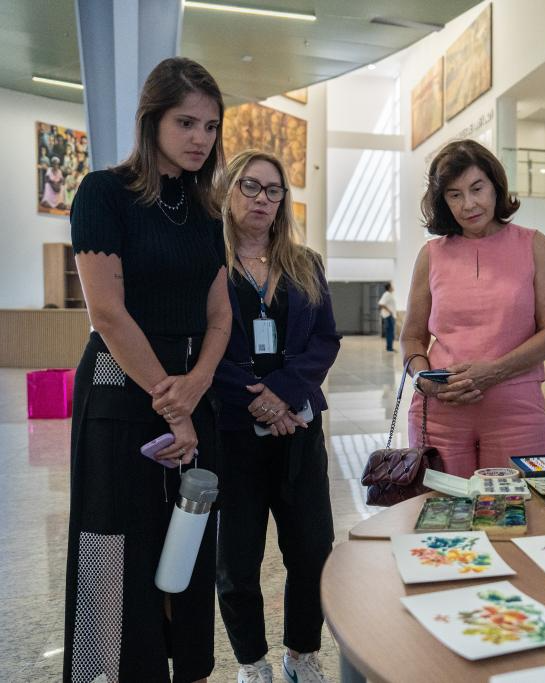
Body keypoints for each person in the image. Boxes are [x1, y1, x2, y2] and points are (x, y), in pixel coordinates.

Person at [64, 57, 230, 682]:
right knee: (115, 544)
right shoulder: (103, 193)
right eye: (186, 122)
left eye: (210, 127)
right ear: (151, 120)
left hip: (191, 386)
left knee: (187, 541)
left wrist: (197, 386)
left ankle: (188, 670)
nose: (200, 138)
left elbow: (220, 315)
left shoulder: (206, 210)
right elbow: (107, 312)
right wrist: (174, 404)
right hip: (121, 386)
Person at [213, 150, 340, 683]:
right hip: (233, 433)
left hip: (299, 431)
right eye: (250, 186)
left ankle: (301, 654)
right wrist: (256, 401)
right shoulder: (210, 263)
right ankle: (251, 662)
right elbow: (199, 347)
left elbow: (325, 341)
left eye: (273, 189)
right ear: (227, 191)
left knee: (312, 550)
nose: (262, 198)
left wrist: (282, 396)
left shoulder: (305, 263)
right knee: (238, 561)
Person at [401, 139, 545, 477]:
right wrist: (424, 381)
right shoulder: (431, 254)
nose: (468, 204)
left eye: (477, 188)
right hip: (440, 413)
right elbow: (412, 337)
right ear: (443, 201)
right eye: (454, 195)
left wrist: (495, 371)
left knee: (519, 505)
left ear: (496, 186)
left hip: (517, 412)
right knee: (440, 506)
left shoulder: (534, 244)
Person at [378, 281, 398, 352]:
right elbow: (381, 304)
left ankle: (389, 347)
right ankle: (389, 348)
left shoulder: (389, 294)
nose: (393, 287)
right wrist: (389, 311)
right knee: (390, 332)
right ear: (389, 287)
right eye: (392, 286)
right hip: (388, 316)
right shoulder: (386, 294)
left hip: (390, 316)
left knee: (390, 332)